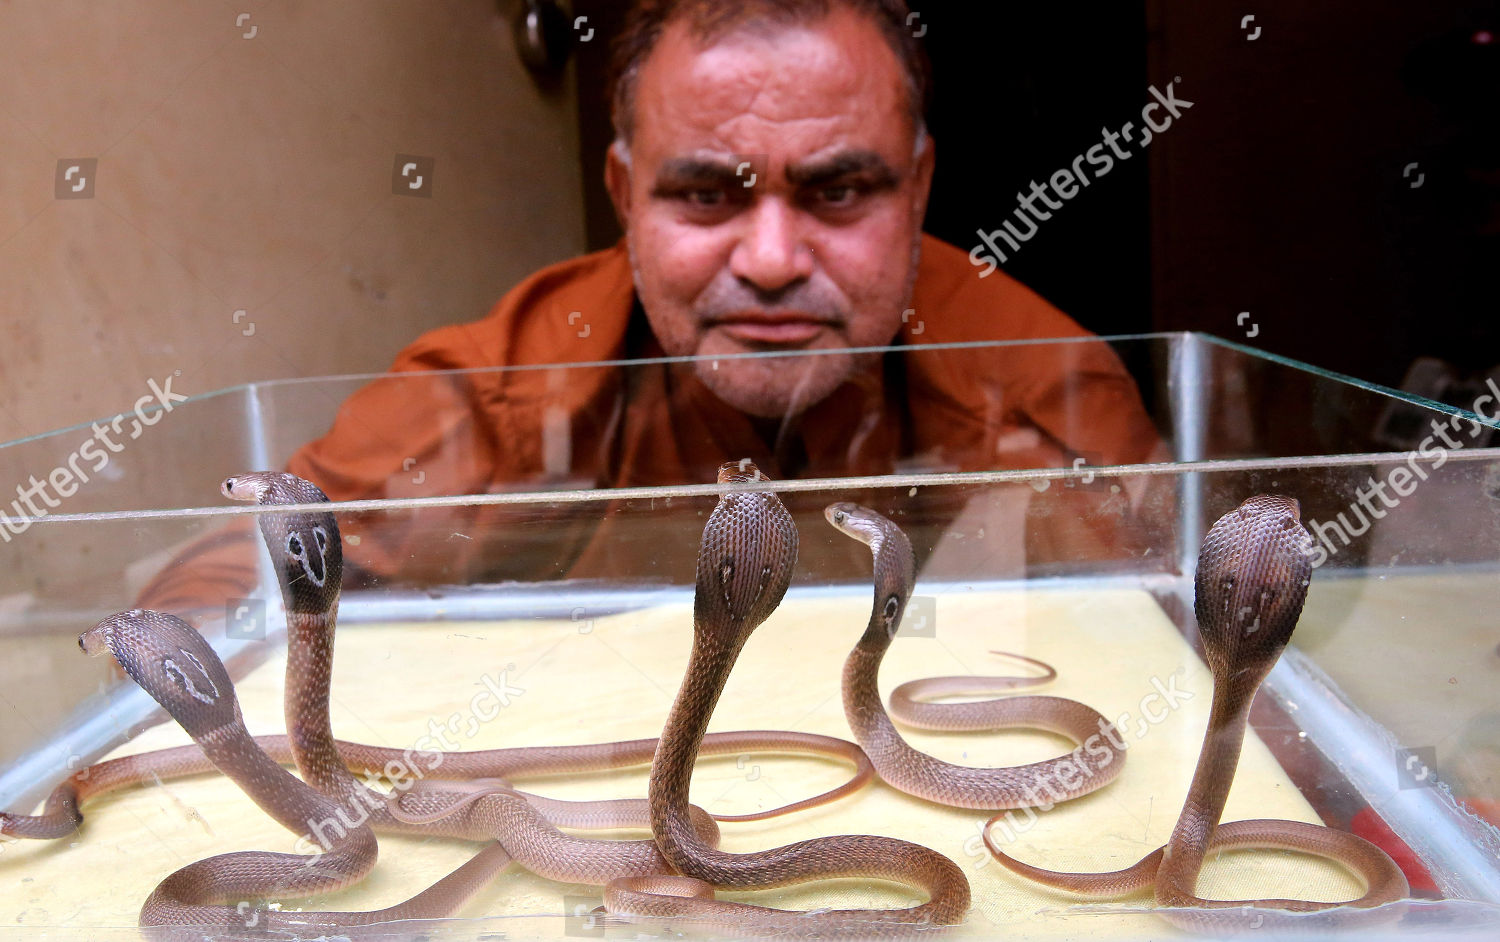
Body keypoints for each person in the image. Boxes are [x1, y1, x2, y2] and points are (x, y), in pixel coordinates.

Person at [138, 0, 1164, 619]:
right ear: (624, 197)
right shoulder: (515, 383)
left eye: (839, 192)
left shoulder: (1041, 386)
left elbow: (1167, 650)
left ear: (921, 190)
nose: (769, 262)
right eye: (706, 195)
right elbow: (232, 574)